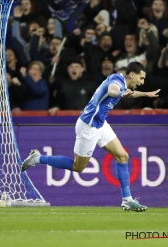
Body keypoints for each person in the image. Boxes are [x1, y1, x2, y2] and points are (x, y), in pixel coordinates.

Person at [21, 62, 160, 212]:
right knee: (78, 166)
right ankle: (37, 158)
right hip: (89, 126)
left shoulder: (120, 80)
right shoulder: (116, 83)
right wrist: (121, 93)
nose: (142, 82)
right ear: (132, 74)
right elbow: (114, 91)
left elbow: (126, 92)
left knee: (122, 156)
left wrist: (146, 94)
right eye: (141, 78)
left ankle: (127, 200)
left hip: (100, 124)